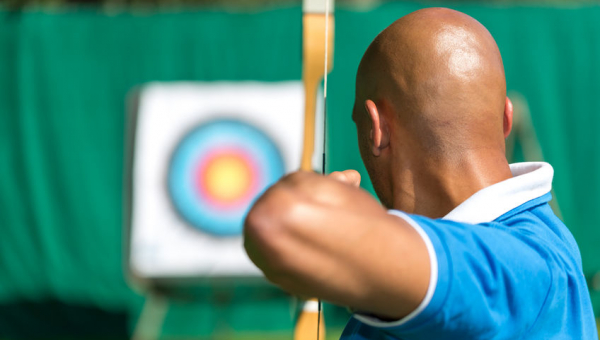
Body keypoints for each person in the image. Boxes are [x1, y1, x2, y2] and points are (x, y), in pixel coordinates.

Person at [243, 7, 598, 339]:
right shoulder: (535, 249)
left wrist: (327, 218)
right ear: (506, 118)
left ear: (376, 128)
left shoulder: (513, 265)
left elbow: (279, 224)